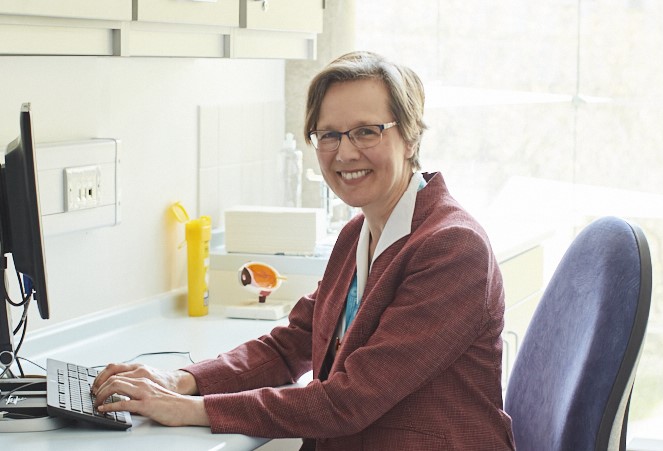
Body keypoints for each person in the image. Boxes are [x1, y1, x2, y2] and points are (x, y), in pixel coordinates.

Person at [92, 51, 516, 450]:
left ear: (409, 138)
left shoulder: (453, 248)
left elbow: (349, 400)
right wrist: (180, 379)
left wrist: (191, 410)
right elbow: (290, 345)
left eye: (366, 131)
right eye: (328, 135)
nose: (345, 152)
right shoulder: (359, 233)